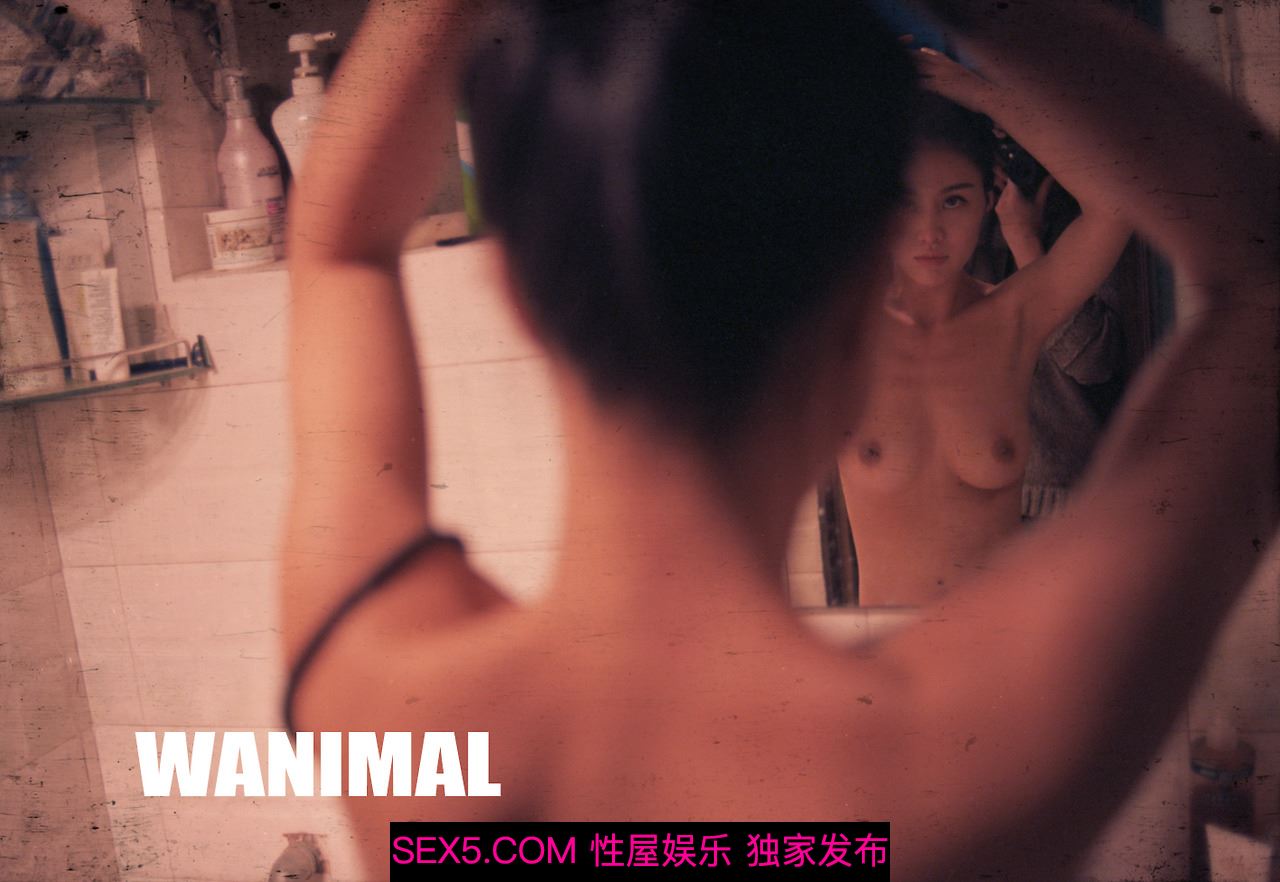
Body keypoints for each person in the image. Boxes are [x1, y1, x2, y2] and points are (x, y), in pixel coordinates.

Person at [280, 2, 1277, 880]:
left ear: (516, 300)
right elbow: (1259, 268)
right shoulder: (958, 763)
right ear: (860, 325)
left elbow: (336, 253)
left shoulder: (389, 700)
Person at [836, 64, 1133, 606]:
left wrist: (985, 95)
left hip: (1006, 646)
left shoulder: (1014, 318)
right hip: (889, 651)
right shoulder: (836, 334)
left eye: (953, 200)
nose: (930, 232)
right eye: (906, 202)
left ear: (989, 196)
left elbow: (1115, 205)